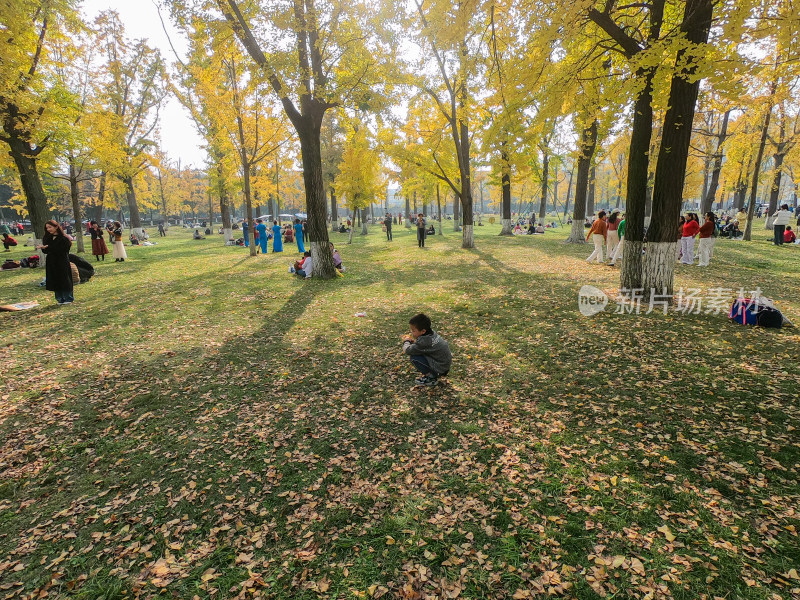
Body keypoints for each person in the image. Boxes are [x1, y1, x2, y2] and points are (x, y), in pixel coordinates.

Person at [401, 313, 452, 387]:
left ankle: (432, 378)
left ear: (423, 331)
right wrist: (415, 343)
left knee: (414, 358)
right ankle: (434, 374)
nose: (412, 333)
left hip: (440, 368)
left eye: (414, 331)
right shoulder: (431, 333)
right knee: (418, 352)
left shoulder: (424, 341)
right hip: (444, 365)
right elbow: (425, 346)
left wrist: (406, 341)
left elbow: (407, 350)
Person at [36, 220, 73, 305]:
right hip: (52, 261)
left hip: (62, 260)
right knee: (55, 278)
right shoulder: (47, 238)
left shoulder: (64, 238)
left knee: (64, 278)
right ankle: (60, 299)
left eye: (50, 227)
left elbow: (64, 250)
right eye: (47, 228)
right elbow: (46, 251)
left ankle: (68, 297)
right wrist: (44, 248)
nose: (48, 229)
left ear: (56, 227)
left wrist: (49, 247)